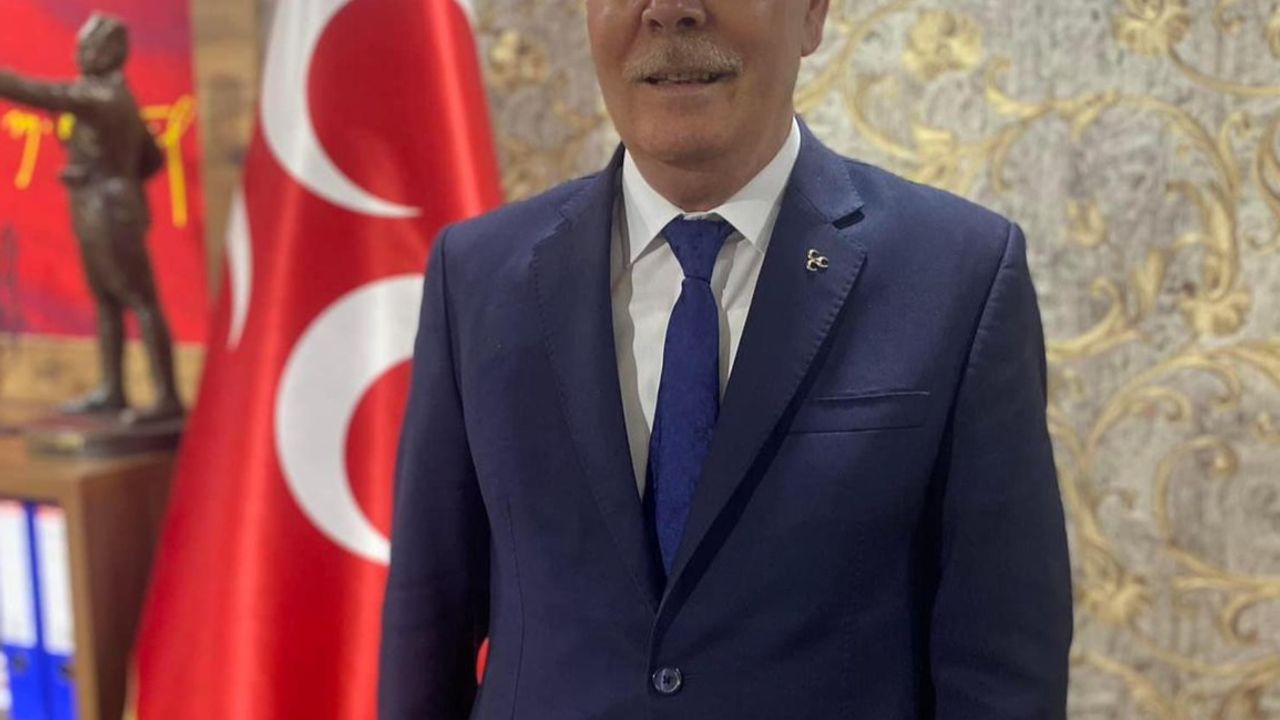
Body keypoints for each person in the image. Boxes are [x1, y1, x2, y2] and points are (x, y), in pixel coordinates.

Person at [380, 0, 1073, 718]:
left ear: (812, 14)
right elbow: (429, 623)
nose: (669, 11)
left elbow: (1003, 672)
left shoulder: (958, 275)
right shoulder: (476, 275)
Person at [0, 13, 182, 424]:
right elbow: (153, 157)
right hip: (96, 199)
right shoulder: (113, 97)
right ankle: (112, 389)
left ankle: (166, 396)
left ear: (112, 52)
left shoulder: (104, 96)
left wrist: (111, 176)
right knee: (106, 298)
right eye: (80, 46)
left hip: (108, 205)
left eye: (89, 47)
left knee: (140, 299)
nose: (80, 54)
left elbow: (38, 92)